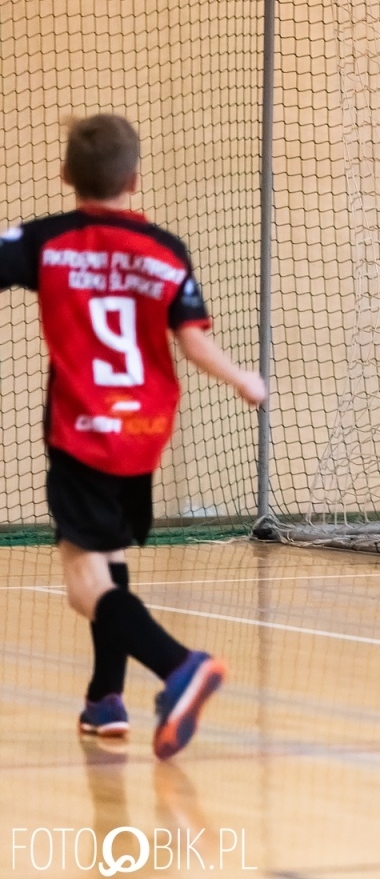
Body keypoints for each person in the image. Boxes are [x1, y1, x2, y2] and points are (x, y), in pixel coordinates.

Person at [0, 114, 266, 757]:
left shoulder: (46, 241)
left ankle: (179, 665)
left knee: (84, 583)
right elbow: (194, 341)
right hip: (144, 433)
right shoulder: (167, 251)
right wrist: (244, 381)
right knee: (109, 560)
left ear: (66, 176)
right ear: (135, 180)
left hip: (82, 432)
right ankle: (104, 699)